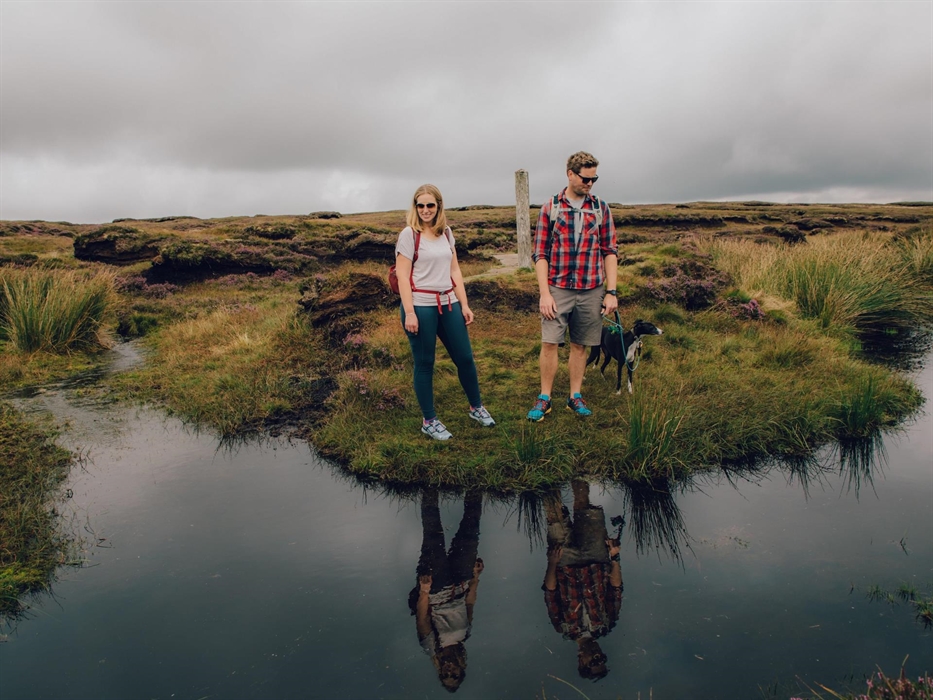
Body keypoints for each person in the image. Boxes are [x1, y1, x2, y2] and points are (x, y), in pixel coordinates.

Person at [395, 184, 495, 440]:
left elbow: (455, 271)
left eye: (430, 205)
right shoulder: (409, 234)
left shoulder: (446, 233)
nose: (425, 210)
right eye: (421, 205)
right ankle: (429, 421)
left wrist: (464, 304)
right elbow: (403, 277)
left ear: (438, 206)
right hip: (420, 306)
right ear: (415, 207)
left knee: (465, 358)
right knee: (425, 363)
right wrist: (410, 312)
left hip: (448, 303)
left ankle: (476, 407)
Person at [527, 152, 619, 421]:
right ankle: (545, 397)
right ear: (570, 173)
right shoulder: (551, 208)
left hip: (591, 288)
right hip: (557, 288)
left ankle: (574, 396)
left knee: (581, 345)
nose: (590, 184)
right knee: (550, 342)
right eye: (585, 178)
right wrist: (544, 293)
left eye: (594, 179)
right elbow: (540, 254)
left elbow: (610, 250)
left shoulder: (600, 208)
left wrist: (611, 292)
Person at [542, 479, 623, 681]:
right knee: (583, 506)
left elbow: (550, 593)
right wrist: (614, 557)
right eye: (601, 658)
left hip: (563, 562)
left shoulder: (562, 627)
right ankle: (577, 464)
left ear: (581, 661)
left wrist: (552, 563)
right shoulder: (607, 623)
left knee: (554, 516)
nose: (597, 655)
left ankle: (547, 469)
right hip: (596, 559)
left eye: (593, 661)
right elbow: (616, 589)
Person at [409, 488, 485, 692]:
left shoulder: (432, 647)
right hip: (461, 583)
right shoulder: (465, 636)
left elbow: (422, 619)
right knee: (471, 530)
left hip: (436, 588)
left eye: (445, 675)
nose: (448, 670)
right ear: (462, 668)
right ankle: (475, 483)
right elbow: (469, 603)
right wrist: (476, 578)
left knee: (433, 534)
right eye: (454, 675)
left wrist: (424, 591)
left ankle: (429, 483)